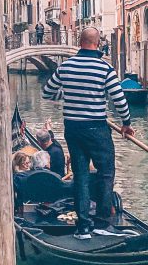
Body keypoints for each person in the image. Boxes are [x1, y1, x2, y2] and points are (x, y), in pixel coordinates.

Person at [42, 26, 134, 239]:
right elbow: (119, 100)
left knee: (81, 175)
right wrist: (126, 123)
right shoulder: (105, 68)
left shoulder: (65, 67)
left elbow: (47, 92)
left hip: (72, 129)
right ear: (98, 43)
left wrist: (69, 95)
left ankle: (83, 227)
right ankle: (102, 223)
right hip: (97, 128)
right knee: (106, 172)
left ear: (80, 42)